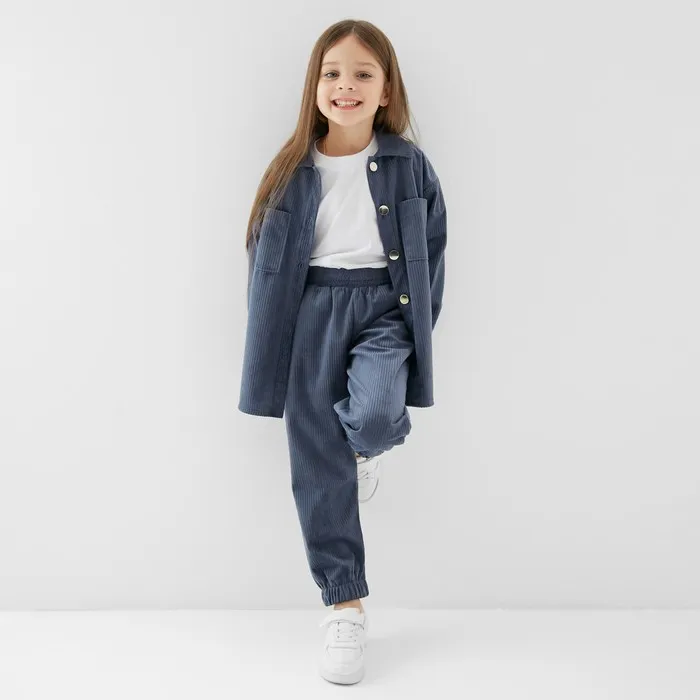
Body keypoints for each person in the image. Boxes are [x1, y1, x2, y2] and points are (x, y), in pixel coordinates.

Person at [238, 18, 447, 685]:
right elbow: (265, 265)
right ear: (315, 86)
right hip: (310, 311)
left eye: (362, 73)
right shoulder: (291, 169)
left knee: (378, 416)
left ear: (386, 90)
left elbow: (432, 253)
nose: (345, 85)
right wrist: (271, 344)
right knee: (315, 465)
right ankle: (344, 608)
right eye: (332, 73)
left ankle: (361, 447)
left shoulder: (409, 165)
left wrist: (418, 328)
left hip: (385, 306)